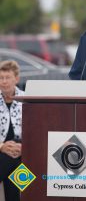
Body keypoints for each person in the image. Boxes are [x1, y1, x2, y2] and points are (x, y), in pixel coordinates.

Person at [0, 60, 24, 201]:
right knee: (12, 161)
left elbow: (35, 132)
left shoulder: (27, 99)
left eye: (7, 77)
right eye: (1, 78)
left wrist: (23, 147)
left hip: (24, 153)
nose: (4, 81)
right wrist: (2, 146)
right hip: (2, 152)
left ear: (16, 78)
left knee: (14, 158)